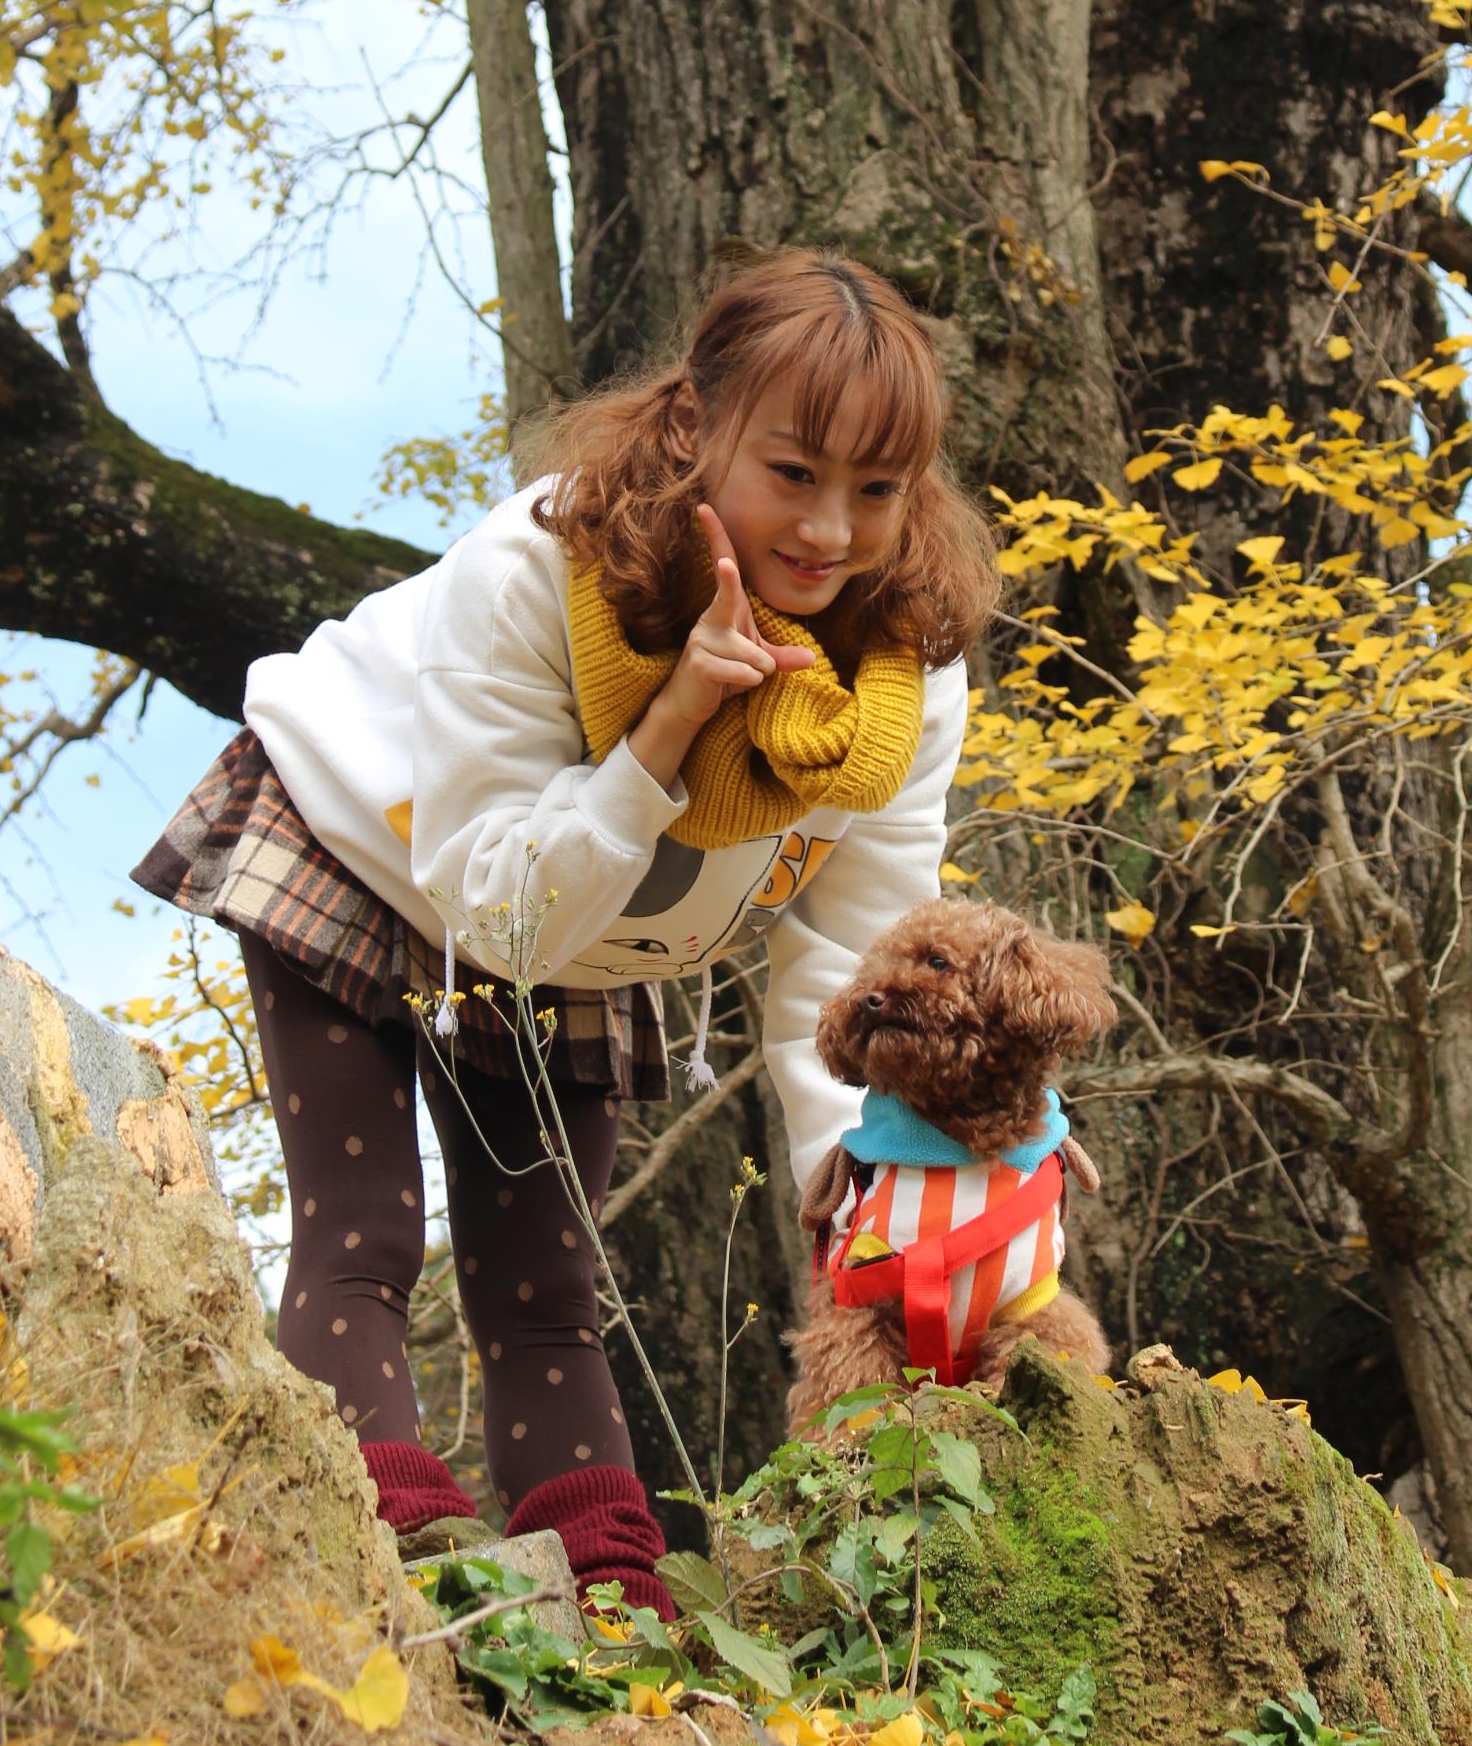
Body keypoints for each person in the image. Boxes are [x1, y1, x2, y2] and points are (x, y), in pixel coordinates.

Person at [131, 247, 995, 1610]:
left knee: (547, 1280)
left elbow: (850, 955)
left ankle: (605, 1609)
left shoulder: (903, 677)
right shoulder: (543, 567)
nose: (831, 529)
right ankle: (374, 1563)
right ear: (699, 428)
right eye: (793, 473)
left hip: (586, 927)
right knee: (364, 1230)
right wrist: (664, 734)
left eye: (875, 490)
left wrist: (854, 1168)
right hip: (375, 840)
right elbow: (490, 893)